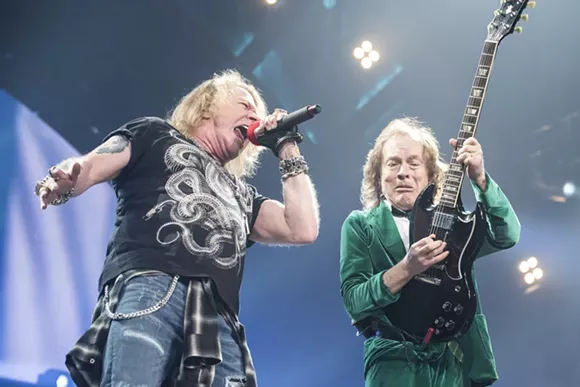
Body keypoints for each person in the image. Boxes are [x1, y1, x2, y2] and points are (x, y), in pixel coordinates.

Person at [34, 70, 319, 387]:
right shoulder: (154, 134)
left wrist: (287, 145)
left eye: (258, 112)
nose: (255, 115)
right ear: (207, 105)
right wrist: (68, 178)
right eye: (245, 103)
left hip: (217, 320)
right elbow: (89, 166)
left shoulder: (243, 195)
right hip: (152, 287)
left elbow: (302, 228)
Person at [339, 117, 520, 387]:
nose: (403, 172)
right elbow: (354, 300)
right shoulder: (361, 225)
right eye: (393, 163)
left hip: (455, 359)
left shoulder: (456, 227)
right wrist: (407, 268)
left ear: (431, 175)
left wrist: (480, 179)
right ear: (379, 174)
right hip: (394, 364)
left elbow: (506, 236)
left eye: (414, 163)